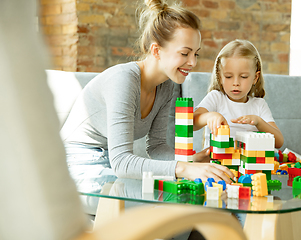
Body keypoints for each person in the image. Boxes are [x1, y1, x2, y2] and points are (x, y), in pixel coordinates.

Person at [60, 0, 235, 185]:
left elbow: (157, 147)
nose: (193, 62)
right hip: (75, 162)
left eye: (196, 54)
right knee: (149, 191)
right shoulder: (123, 80)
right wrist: (184, 168)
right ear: (156, 50)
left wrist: (193, 161)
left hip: (108, 163)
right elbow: (122, 163)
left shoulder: (166, 85)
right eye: (185, 53)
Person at [193, 39, 284, 149]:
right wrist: (209, 116)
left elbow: (278, 142)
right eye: (228, 77)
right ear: (220, 77)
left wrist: (259, 122)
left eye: (243, 77)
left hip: (248, 164)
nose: (236, 83)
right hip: (216, 163)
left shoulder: (259, 105)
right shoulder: (216, 98)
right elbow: (191, 123)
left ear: (255, 78)